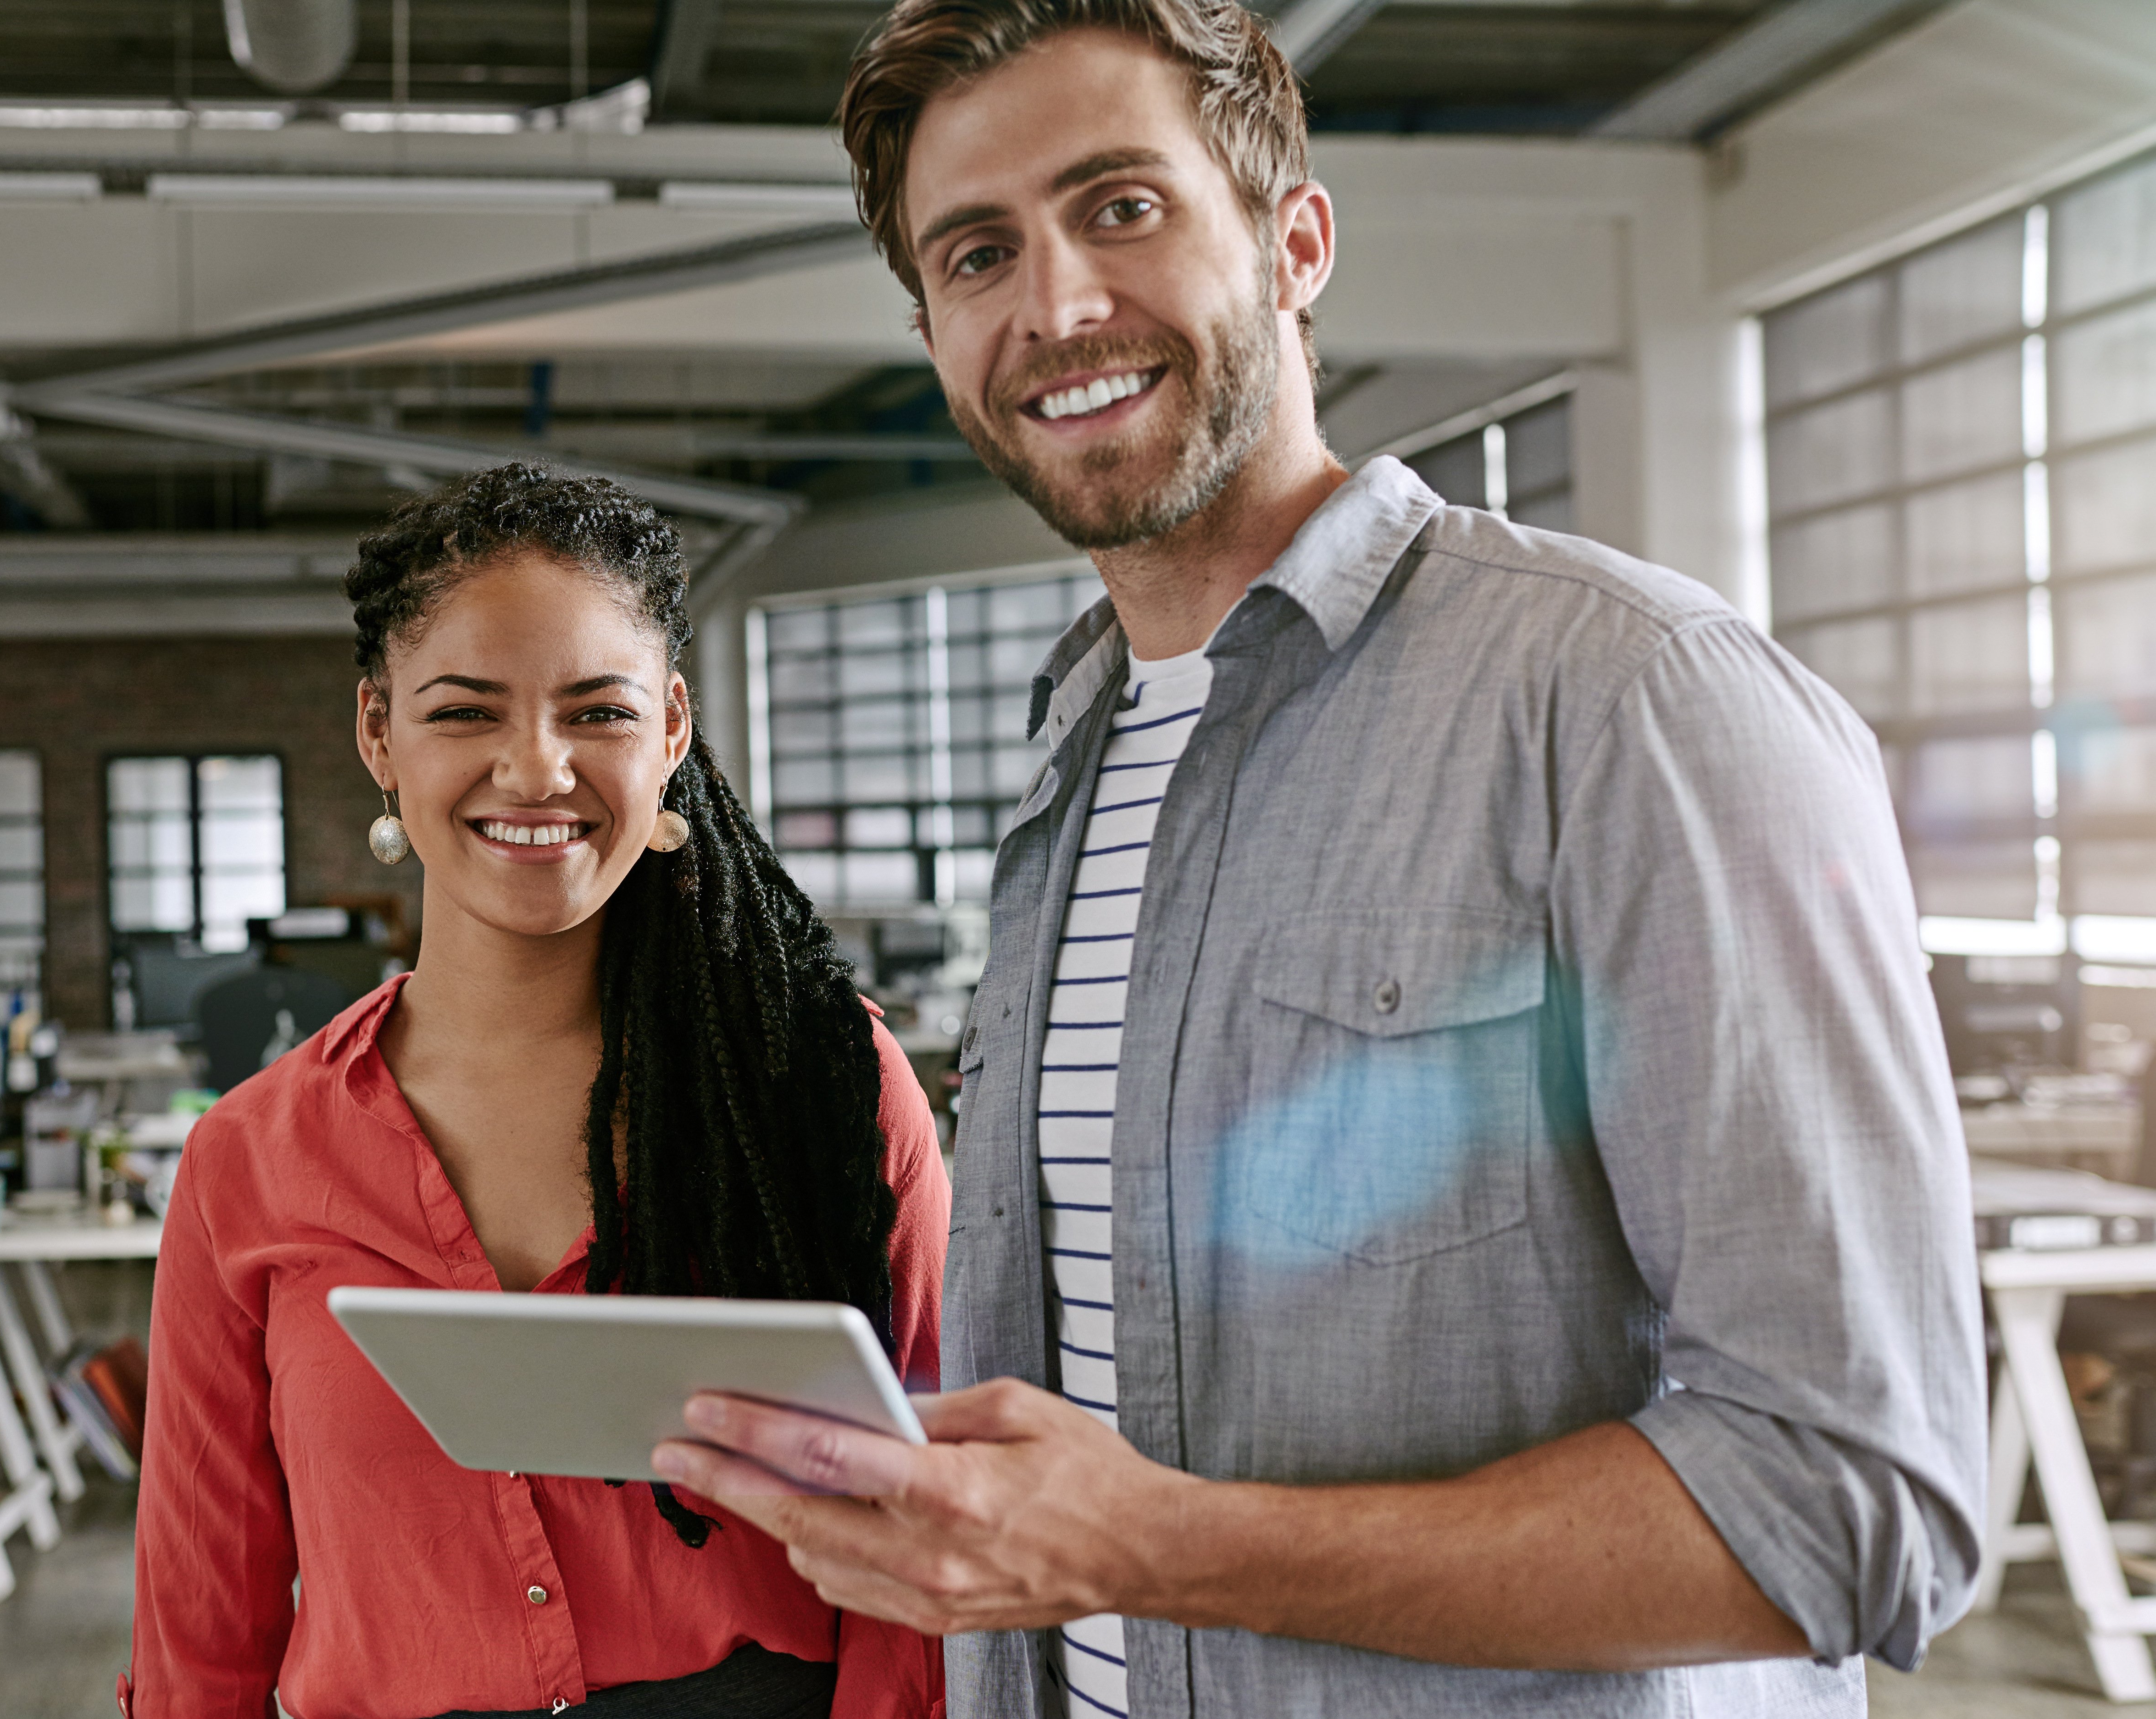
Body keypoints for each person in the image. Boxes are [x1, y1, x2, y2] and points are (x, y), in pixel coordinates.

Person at [650, 2, 1987, 1715]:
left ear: (1296, 245)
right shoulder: (1073, 760)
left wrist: (1154, 1542)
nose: (1056, 307)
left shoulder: (1635, 698)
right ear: (934, 331)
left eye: (1121, 208)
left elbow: (1857, 1502)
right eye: (980, 254)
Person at [122, 464, 948, 1719]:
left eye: (595, 712)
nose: (536, 768)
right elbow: (200, 1628)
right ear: (378, 734)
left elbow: (926, 1553)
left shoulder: (829, 1087)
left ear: (671, 728)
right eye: (465, 712)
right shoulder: (252, 1159)